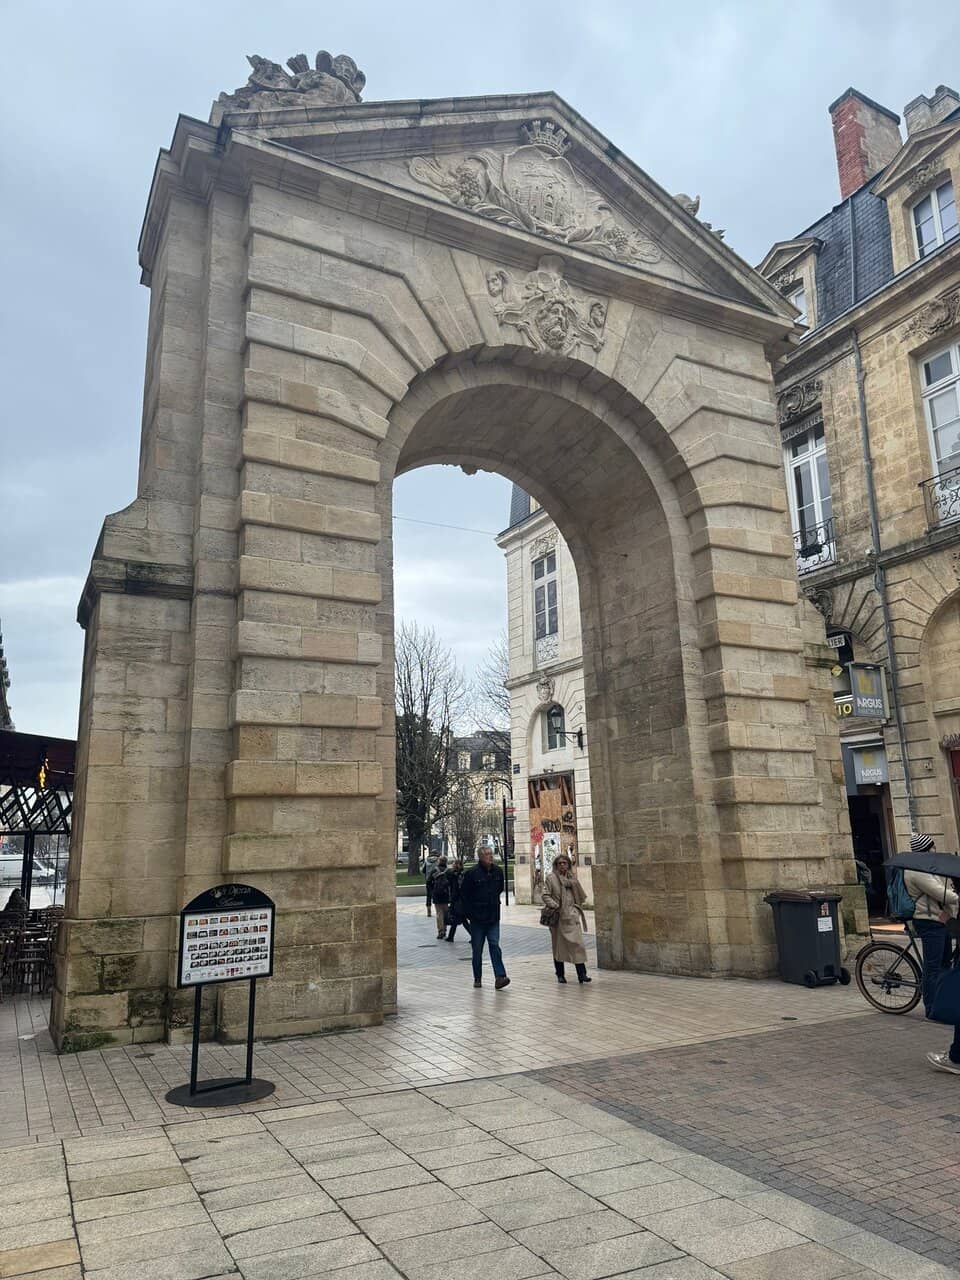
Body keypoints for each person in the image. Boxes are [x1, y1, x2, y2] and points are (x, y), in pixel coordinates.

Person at [904, 831, 959, 1020]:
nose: (935, 849)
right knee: (933, 967)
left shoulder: (925, 868)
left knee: (944, 964)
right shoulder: (917, 871)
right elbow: (940, 893)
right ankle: (930, 1008)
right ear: (926, 849)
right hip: (928, 922)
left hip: (939, 919)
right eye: (932, 847)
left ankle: (942, 1003)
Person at [458, 847, 510, 989]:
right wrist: (470, 913)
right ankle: (477, 977)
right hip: (477, 918)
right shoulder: (472, 874)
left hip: (493, 916)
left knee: (494, 945)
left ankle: (500, 976)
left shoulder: (498, 872)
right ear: (480, 857)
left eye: (491, 854)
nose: (490, 857)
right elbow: (464, 894)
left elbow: (499, 889)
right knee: (477, 949)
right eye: (487, 855)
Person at [542, 852, 591, 984]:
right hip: (558, 918)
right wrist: (555, 906)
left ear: (568, 865)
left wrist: (575, 909)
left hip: (572, 917)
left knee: (577, 945)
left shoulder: (573, 879)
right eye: (560, 863)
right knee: (558, 947)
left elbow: (580, 896)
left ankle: (582, 974)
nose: (562, 865)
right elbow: (545, 895)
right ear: (556, 865)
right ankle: (560, 974)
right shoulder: (551, 878)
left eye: (565, 863)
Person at [429, 858, 451, 940]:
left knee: (439, 914)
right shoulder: (448, 871)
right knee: (445, 913)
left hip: (436, 895)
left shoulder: (434, 870)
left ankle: (440, 931)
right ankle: (445, 930)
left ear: (439, 862)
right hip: (445, 895)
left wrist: (432, 892)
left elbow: (429, 881)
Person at [445, 859, 465, 941]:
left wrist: (452, 901)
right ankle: (450, 937)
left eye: (453, 864)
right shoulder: (462, 875)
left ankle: (451, 937)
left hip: (457, 900)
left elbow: (455, 890)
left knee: (459, 919)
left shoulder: (455, 876)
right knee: (460, 920)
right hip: (462, 900)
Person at [423, 849, 439, 917]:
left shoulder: (426, 860)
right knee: (437, 895)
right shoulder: (439, 860)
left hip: (428, 880)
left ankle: (428, 911)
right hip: (437, 880)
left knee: (428, 895)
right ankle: (438, 910)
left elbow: (423, 870)